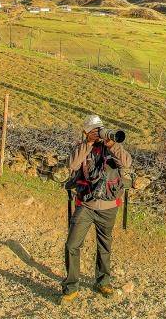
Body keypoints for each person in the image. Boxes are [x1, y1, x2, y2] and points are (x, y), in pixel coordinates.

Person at [60, 114, 131, 303]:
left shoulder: (111, 148)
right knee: (72, 245)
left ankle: (102, 281)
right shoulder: (83, 147)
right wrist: (88, 143)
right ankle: (71, 287)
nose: (99, 133)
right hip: (85, 204)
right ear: (86, 132)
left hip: (108, 207)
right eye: (95, 130)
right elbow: (72, 164)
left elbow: (126, 163)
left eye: (100, 129)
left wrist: (111, 144)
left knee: (104, 246)